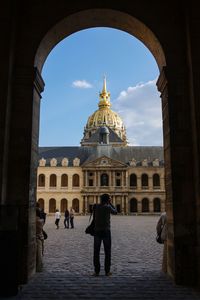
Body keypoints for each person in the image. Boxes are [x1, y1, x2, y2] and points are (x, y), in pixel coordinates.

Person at [92, 193, 117, 277]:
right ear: (107, 200)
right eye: (109, 199)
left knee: (96, 252)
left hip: (97, 231)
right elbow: (115, 212)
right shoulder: (108, 207)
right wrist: (110, 203)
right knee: (107, 252)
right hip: (106, 231)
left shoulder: (96, 207)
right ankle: (107, 271)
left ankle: (97, 271)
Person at [36, 207, 44, 272]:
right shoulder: (41, 221)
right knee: (40, 253)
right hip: (41, 237)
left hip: (37, 237)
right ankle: (39, 265)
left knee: (38, 253)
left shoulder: (36, 221)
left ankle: (38, 267)